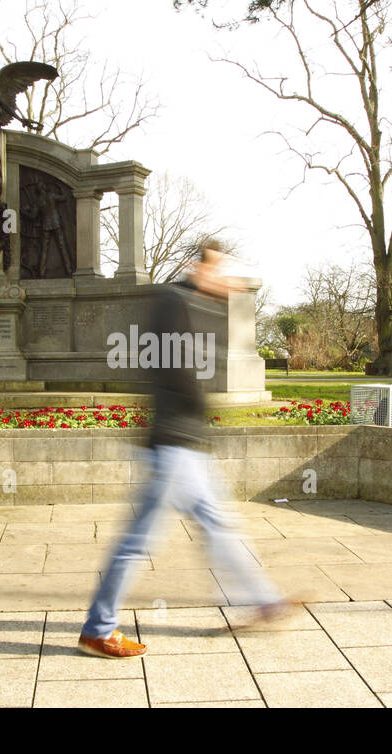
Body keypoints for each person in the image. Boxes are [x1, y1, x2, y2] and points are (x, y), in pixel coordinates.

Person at [78, 239, 289, 659]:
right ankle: (99, 628)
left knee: (219, 525)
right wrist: (198, 406)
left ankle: (262, 600)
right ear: (199, 268)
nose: (226, 280)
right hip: (173, 443)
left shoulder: (188, 303)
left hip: (186, 443)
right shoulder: (171, 300)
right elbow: (173, 368)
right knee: (138, 541)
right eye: (219, 270)